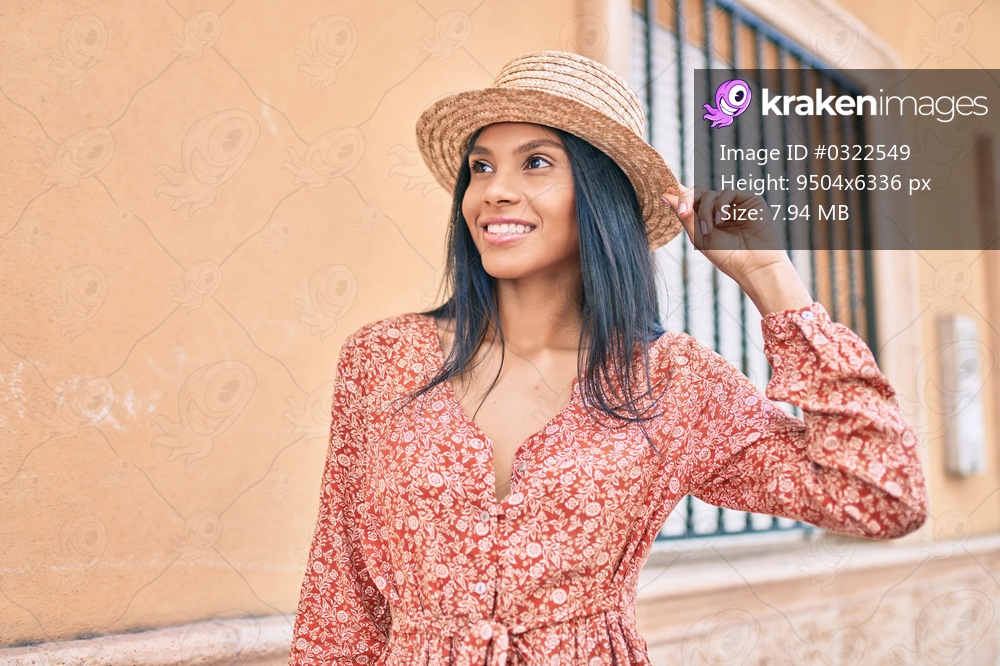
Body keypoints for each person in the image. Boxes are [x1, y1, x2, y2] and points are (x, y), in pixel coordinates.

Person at [287, 50, 927, 665]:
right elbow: (341, 600)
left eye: (536, 162)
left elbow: (881, 494)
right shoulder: (383, 360)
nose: (495, 192)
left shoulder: (670, 382)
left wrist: (770, 278)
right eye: (481, 168)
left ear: (600, 197)